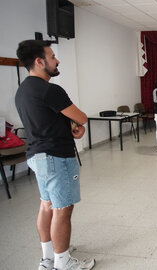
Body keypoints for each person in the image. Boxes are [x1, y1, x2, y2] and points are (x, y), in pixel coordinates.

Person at [15, 40, 95, 270]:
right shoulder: (50, 90)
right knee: (62, 209)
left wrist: (70, 127)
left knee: (46, 205)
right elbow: (81, 117)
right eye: (52, 56)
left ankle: (48, 258)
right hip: (56, 156)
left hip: (36, 156)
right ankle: (63, 262)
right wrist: (77, 124)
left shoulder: (23, 91)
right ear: (40, 62)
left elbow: (46, 120)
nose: (57, 60)